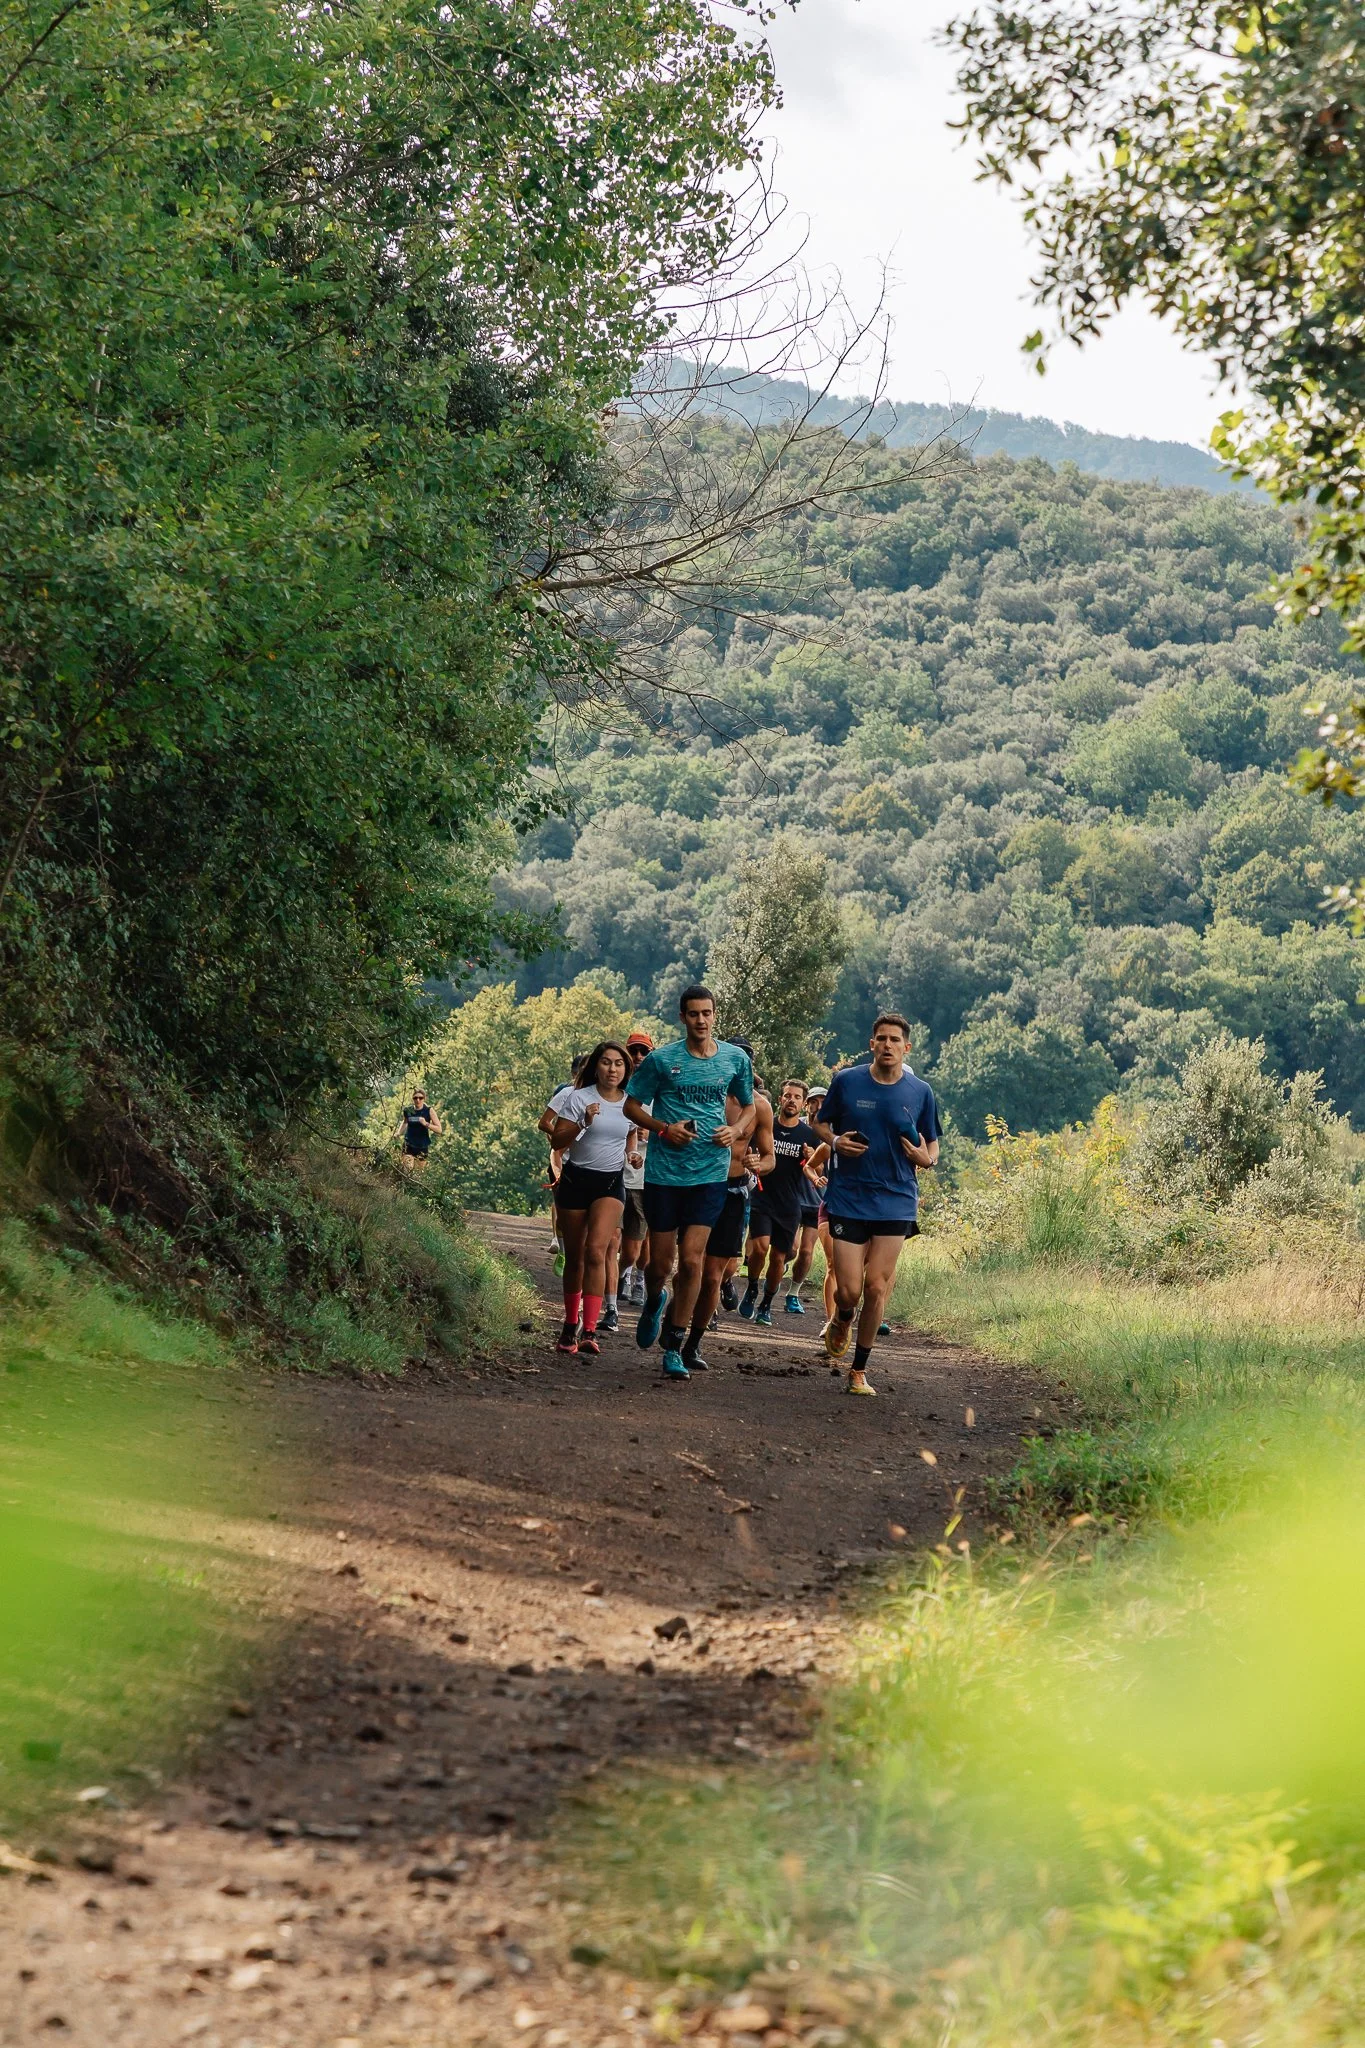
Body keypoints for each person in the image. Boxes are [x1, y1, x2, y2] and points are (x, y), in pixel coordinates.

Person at [624, 985, 755, 1380]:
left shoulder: (734, 1059)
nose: (701, 1020)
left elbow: (749, 1107)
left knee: (693, 1260)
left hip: (710, 1174)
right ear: (682, 1017)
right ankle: (653, 1301)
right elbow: (631, 1105)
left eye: (707, 1013)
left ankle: (674, 1344)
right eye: (694, 1014)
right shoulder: (662, 1060)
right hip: (664, 1174)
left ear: (715, 1015)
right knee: (660, 1264)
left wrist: (735, 1131)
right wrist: (664, 1129)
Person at [810, 1013, 941, 1397]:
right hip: (848, 1197)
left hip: (896, 1199)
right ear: (872, 1044)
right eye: (881, 1038)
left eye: (895, 1040)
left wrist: (925, 1158)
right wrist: (834, 1143)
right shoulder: (847, 1081)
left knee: (877, 1286)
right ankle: (842, 1319)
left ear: (906, 1047)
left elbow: (932, 1143)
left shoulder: (920, 1092)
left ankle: (858, 1370)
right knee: (849, 1291)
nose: (887, 1045)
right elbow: (819, 1124)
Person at [683, 1044, 774, 1372]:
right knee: (689, 1265)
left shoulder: (761, 1107)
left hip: (734, 1191)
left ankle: (692, 1344)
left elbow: (769, 1157)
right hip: (697, 1186)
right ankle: (674, 1325)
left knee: (713, 1274)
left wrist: (757, 1164)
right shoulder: (704, 1095)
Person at [548, 1041, 639, 1357]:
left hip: (610, 1184)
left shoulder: (630, 1103)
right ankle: (569, 1325)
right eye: (606, 1062)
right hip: (576, 1180)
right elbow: (557, 1139)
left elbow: (631, 1132)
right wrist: (582, 1122)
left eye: (618, 1064)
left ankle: (589, 1329)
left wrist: (633, 1153)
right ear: (595, 1067)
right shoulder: (578, 1098)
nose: (612, 1069)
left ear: (626, 1070)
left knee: (597, 1251)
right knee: (575, 1257)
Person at [739, 1078, 817, 1325]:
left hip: (790, 1203)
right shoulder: (766, 1125)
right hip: (763, 1196)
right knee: (759, 1248)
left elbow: (817, 1167)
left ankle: (766, 1303)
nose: (791, 1100)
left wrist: (812, 1158)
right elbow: (747, 1152)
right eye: (787, 1095)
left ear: (803, 1104)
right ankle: (752, 1286)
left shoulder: (808, 1135)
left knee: (779, 1259)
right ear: (780, 1099)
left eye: (796, 1097)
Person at [618, 1032, 654, 1308]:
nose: (639, 1057)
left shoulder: (659, 1092)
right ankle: (621, 1276)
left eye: (644, 1052)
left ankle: (638, 1279)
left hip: (649, 1177)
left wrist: (651, 1132)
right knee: (622, 1239)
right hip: (613, 1172)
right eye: (634, 1051)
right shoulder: (615, 1088)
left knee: (645, 1238)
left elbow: (677, 1129)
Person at [786, 1084, 828, 1313]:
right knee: (790, 1249)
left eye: (823, 1101)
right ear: (807, 1103)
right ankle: (780, 1265)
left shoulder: (831, 1131)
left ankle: (793, 1293)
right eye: (814, 1101)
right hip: (792, 1195)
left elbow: (823, 1167)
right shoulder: (797, 1125)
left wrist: (813, 1158)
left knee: (806, 1252)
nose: (818, 1106)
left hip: (817, 1198)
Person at [393, 1088, 442, 1170]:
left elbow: (439, 1129)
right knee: (407, 1168)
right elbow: (405, 1122)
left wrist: (426, 1123)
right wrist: (398, 1133)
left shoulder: (429, 1110)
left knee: (418, 1173)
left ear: (424, 1098)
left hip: (422, 1146)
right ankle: (403, 1181)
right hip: (408, 1144)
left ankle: (410, 1182)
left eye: (420, 1098)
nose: (418, 1100)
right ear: (413, 1099)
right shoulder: (408, 1110)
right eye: (415, 1098)